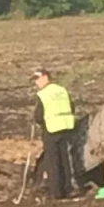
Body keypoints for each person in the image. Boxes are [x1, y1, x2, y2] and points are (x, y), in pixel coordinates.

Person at [32, 68, 75, 199]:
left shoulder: (44, 94)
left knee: (53, 161)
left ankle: (56, 192)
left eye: (37, 79)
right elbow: (72, 107)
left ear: (45, 77)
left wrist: (38, 121)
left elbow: (39, 115)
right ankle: (69, 189)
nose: (36, 83)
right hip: (66, 127)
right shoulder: (62, 90)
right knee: (65, 160)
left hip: (51, 129)